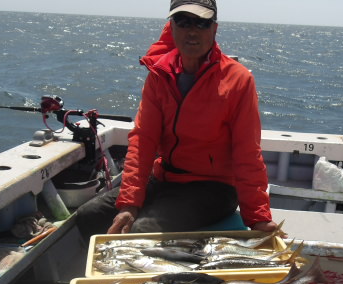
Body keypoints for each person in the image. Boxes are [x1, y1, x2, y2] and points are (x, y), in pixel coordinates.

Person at [76, 0, 279, 237]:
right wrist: (130, 203)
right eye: (183, 21)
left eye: (201, 23)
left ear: (214, 29)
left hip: (214, 187)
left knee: (142, 230)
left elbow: (248, 153)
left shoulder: (238, 80)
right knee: (88, 215)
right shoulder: (159, 75)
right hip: (164, 177)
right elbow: (143, 140)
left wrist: (258, 218)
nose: (192, 31)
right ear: (171, 27)